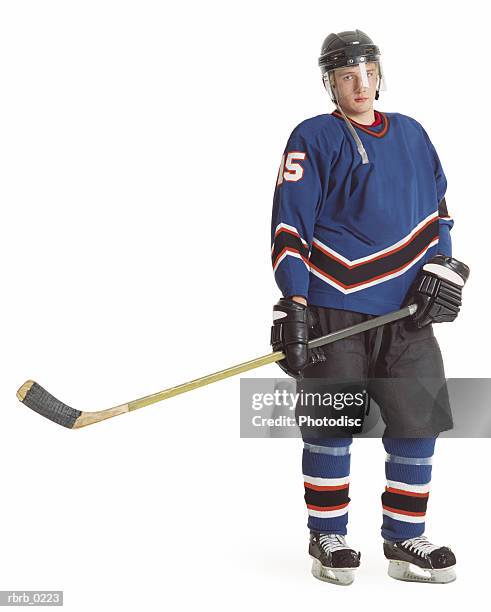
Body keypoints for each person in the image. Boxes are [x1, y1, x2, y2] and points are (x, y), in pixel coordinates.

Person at [270, 29, 469, 585]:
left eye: (367, 72)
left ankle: (405, 541)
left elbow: (440, 214)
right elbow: (290, 226)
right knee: (332, 425)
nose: (359, 84)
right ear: (329, 82)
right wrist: (296, 304)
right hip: (335, 304)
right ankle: (327, 535)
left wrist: (445, 271)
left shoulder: (413, 134)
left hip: (407, 313)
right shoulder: (312, 136)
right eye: (345, 75)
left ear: (380, 74)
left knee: (417, 422)